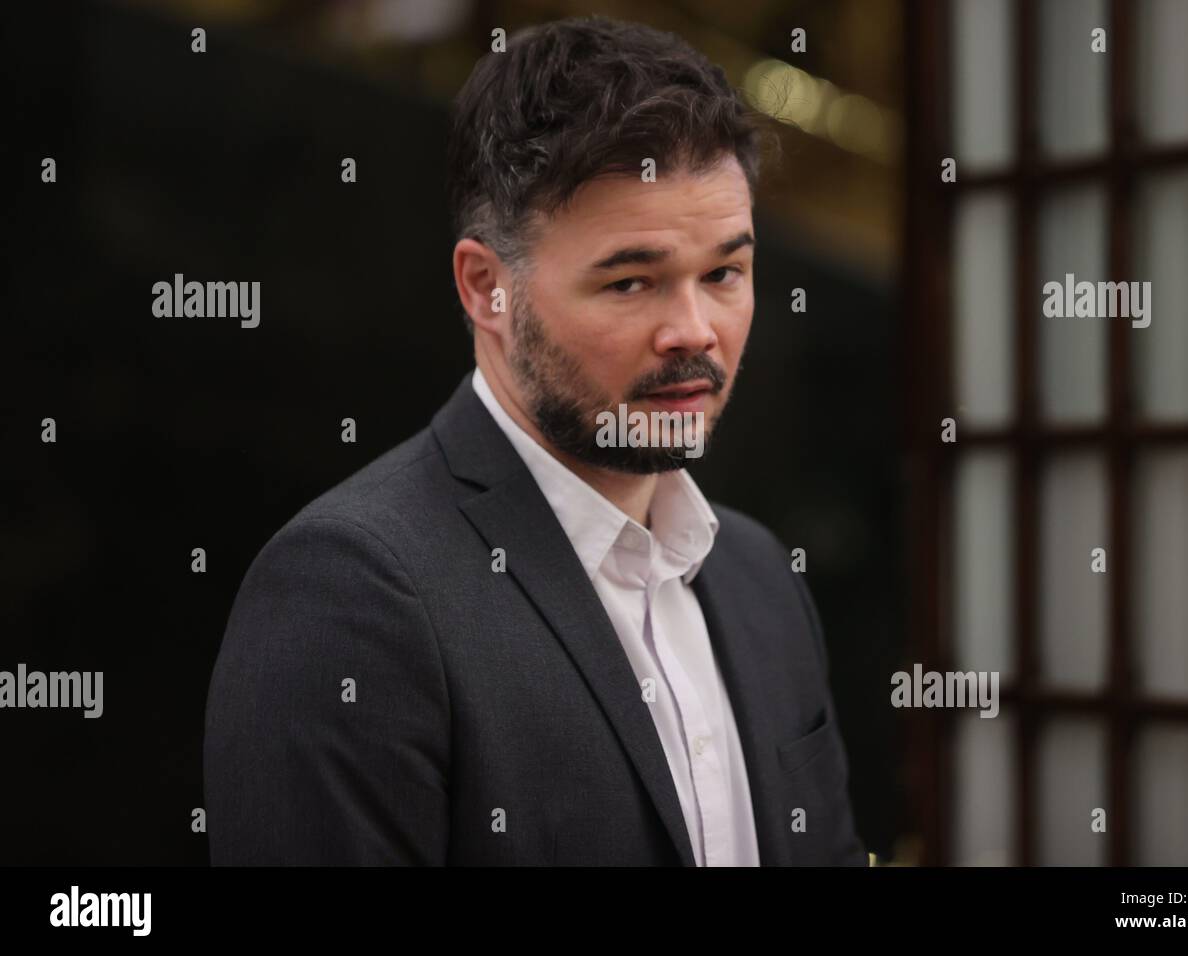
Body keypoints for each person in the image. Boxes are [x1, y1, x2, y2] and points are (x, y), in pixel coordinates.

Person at [204, 14, 867, 867]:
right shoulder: (352, 598)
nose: (695, 332)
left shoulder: (761, 580)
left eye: (724, 274)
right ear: (487, 288)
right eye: (632, 281)